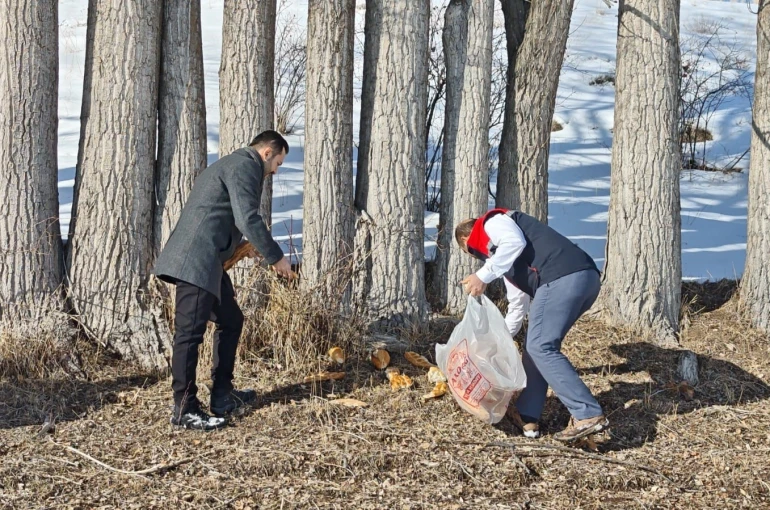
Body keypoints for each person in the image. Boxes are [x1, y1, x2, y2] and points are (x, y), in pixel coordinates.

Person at [154, 130, 294, 431]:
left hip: (208, 262)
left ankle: (222, 396)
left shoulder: (233, 165)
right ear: (267, 153)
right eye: (278, 163)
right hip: (195, 260)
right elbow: (247, 218)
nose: (276, 171)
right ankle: (184, 409)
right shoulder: (244, 165)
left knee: (231, 320)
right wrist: (275, 257)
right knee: (189, 335)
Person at [455, 208, 608, 442]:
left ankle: (587, 413)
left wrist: (482, 275)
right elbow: (517, 304)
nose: (476, 256)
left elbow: (513, 242)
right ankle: (527, 414)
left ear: (466, 239)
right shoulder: (503, 259)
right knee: (535, 346)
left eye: (469, 252)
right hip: (584, 280)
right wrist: (498, 341)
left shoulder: (493, 223)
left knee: (541, 346)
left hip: (561, 278)